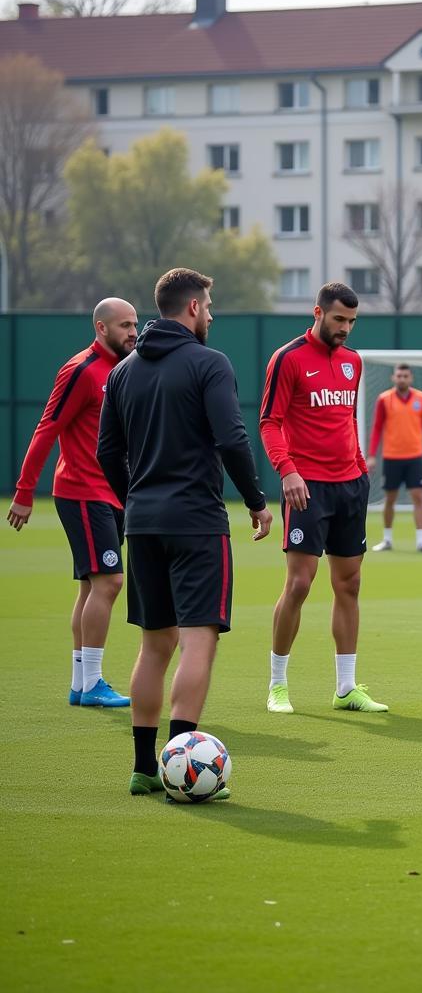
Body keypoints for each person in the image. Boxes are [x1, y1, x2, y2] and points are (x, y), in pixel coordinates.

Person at [97, 268, 272, 799]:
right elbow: (233, 439)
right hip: (197, 522)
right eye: (210, 307)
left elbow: (107, 452)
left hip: (143, 522)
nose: (212, 316)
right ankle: (182, 766)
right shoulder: (209, 363)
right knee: (199, 640)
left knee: (154, 646)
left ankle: (143, 767)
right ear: (193, 308)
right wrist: (257, 502)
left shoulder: (123, 371)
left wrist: (136, 499)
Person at [259, 282, 386, 716]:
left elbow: (346, 419)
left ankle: (346, 688)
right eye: (339, 320)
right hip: (306, 486)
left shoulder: (353, 362)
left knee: (349, 584)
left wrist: (359, 466)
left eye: (352, 321)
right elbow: (270, 423)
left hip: (351, 484)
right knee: (298, 584)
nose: (346, 328)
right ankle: (277, 685)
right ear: (318, 312)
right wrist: (287, 470)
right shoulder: (288, 358)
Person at [7, 298, 138, 708]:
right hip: (82, 492)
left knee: (90, 586)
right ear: (101, 328)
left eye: (136, 324)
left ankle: (81, 685)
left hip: (114, 493)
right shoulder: (81, 370)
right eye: (124, 325)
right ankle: (94, 682)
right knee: (110, 582)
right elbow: (47, 429)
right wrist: (25, 492)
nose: (133, 332)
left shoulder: (125, 370)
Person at [367, 364, 422, 553]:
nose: (402, 378)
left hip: (414, 457)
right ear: (393, 378)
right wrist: (371, 455)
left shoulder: (421, 398)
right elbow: (377, 428)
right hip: (391, 457)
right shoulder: (384, 399)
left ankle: (421, 541)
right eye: (399, 375)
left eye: (405, 376)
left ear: (411, 378)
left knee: (419, 497)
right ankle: (387, 539)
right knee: (390, 499)